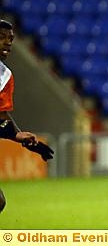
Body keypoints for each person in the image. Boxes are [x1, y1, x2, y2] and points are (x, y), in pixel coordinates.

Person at [0, 19, 54, 212]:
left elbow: (2, 116)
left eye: (11, 39)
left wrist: (18, 135)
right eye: (2, 38)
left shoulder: (5, 76)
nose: (8, 43)